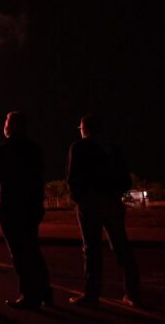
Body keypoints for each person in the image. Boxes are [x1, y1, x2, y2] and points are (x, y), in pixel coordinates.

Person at [66, 114, 141, 308]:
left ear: (85, 128)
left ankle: (91, 294)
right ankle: (133, 293)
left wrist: (79, 199)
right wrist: (113, 194)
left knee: (91, 249)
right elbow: (126, 179)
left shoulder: (79, 147)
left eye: (80, 127)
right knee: (121, 246)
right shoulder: (112, 149)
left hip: (89, 204)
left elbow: (72, 178)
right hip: (112, 203)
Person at [0, 111, 52, 309]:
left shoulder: (3, 150)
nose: (4, 125)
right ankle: (45, 292)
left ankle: (29, 295)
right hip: (32, 205)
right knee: (33, 248)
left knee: (19, 253)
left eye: (6, 122)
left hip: (11, 207)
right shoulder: (35, 149)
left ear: (10, 126)